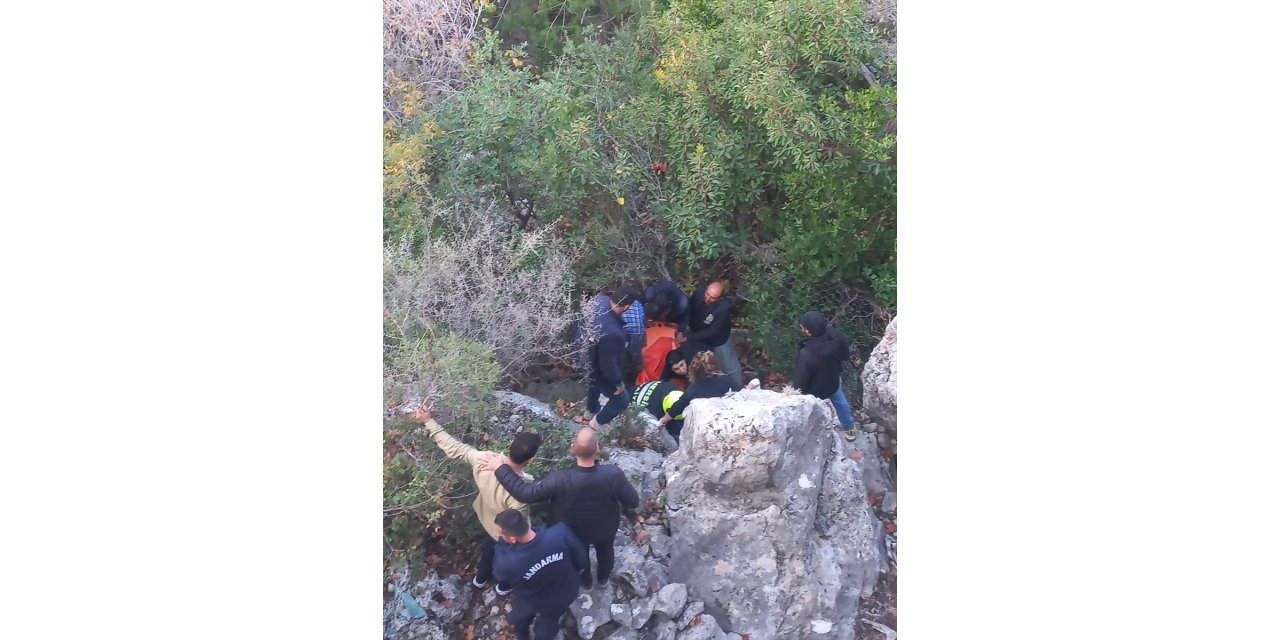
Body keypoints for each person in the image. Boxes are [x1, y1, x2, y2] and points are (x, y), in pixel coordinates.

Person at [481, 428, 640, 591]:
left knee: (580, 556)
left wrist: (500, 468)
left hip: (573, 532)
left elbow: (525, 494)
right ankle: (603, 579)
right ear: (597, 449)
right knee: (606, 552)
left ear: (572, 448)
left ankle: (586, 584)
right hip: (605, 528)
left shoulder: (559, 479)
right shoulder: (613, 475)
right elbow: (633, 501)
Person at [407, 405, 541, 595]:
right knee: (511, 561)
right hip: (505, 534)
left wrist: (428, 421)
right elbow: (518, 528)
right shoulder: (522, 492)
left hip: (487, 520)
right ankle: (503, 587)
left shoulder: (484, 460)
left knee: (488, 550)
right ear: (530, 460)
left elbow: (455, 448)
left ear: (511, 446)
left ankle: (480, 578)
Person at [492, 509, 589, 640]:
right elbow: (582, 561)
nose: (501, 538)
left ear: (513, 538)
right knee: (550, 622)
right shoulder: (560, 532)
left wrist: (502, 545)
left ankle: (523, 636)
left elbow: (499, 575)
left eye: (501, 535)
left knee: (519, 620)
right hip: (564, 593)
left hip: (530, 600)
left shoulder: (508, 562)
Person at [791, 310, 857, 439]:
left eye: (803, 327)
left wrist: (796, 393)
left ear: (808, 331)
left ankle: (817, 435)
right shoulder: (835, 334)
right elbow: (845, 355)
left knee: (813, 411)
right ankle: (850, 429)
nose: (801, 329)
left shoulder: (807, 353)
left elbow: (800, 382)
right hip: (834, 380)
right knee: (840, 402)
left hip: (816, 392)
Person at [582, 286, 640, 429]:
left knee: (592, 383)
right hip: (596, 365)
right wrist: (619, 383)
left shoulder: (598, 300)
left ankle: (591, 409)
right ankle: (595, 425)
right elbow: (608, 364)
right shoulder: (614, 333)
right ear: (626, 307)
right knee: (622, 400)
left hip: (582, 355)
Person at [658, 351, 740, 442]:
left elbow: (679, 406)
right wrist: (753, 383)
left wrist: (663, 420)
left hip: (709, 430)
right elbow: (743, 391)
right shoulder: (729, 380)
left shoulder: (694, 389)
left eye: (682, 365)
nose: (681, 369)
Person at [687, 280, 743, 388]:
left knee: (730, 366)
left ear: (719, 299)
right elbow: (690, 308)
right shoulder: (699, 293)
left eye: (712, 297)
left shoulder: (723, 310)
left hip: (718, 340)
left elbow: (712, 332)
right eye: (707, 294)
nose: (707, 298)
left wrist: (688, 337)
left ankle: (739, 387)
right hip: (697, 332)